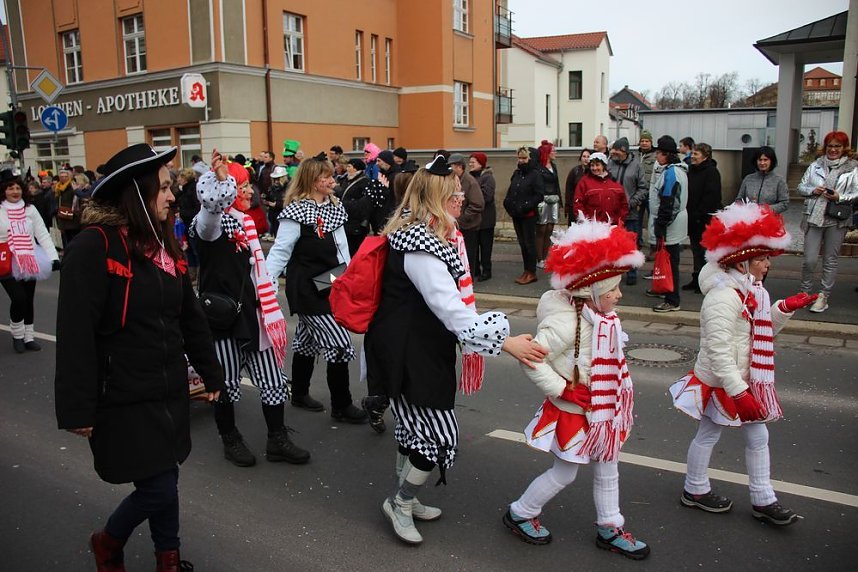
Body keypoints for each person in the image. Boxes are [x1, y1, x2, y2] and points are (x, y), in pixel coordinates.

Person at [54, 144, 225, 570]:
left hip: (166, 390)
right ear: (136, 193)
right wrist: (77, 406)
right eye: (164, 188)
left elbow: (191, 318)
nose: (172, 196)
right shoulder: (94, 247)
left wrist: (211, 373)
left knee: (166, 476)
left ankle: (169, 559)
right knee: (159, 488)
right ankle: (108, 542)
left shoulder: (163, 247)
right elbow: (75, 333)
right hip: (122, 396)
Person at [364, 156, 547, 546]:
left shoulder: (429, 236)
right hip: (407, 354)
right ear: (434, 199)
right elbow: (453, 311)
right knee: (436, 438)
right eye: (453, 195)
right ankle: (400, 502)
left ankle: (405, 500)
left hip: (422, 348)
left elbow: (452, 309)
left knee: (418, 432)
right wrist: (508, 342)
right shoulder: (420, 246)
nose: (461, 199)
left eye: (460, 192)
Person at [503, 218, 649, 560]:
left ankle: (609, 526)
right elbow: (531, 359)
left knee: (608, 465)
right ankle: (520, 512)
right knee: (565, 472)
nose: (619, 294)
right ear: (591, 290)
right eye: (612, 288)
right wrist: (563, 389)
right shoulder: (566, 322)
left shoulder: (601, 317)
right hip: (574, 410)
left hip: (601, 410)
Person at [669, 201, 817, 526]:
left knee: (756, 436)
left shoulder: (755, 291)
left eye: (767, 258)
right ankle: (696, 489)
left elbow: (760, 333)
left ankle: (761, 499)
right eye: (762, 258)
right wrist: (737, 391)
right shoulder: (723, 297)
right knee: (709, 434)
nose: (767, 265)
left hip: (746, 379)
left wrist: (784, 309)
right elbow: (719, 350)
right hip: (725, 381)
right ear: (743, 261)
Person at [192, 149, 310, 468]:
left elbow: (259, 272)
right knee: (227, 385)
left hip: (255, 318)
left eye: (246, 186)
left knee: (273, 381)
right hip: (223, 319)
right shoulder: (210, 226)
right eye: (241, 187)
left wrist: (268, 288)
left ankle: (277, 440)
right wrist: (220, 180)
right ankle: (230, 438)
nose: (248, 192)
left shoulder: (246, 224)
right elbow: (210, 212)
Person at [266, 152, 368, 424]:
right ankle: (342, 405)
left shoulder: (334, 207)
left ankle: (298, 393)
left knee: (306, 340)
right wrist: (265, 286)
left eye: (332, 175)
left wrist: (349, 278)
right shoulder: (296, 211)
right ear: (312, 180)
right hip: (305, 288)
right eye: (326, 176)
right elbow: (280, 252)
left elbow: (341, 248)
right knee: (340, 342)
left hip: (330, 280)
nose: (332, 180)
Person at [796, 130, 858, 313]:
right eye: (830, 146)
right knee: (809, 260)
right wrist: (813, 190)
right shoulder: (815, 165)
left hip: (837, 219)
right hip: (814, 217)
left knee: (830, 260)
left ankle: (823, 296)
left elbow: (856, 193)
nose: (833, 149)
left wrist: (840, 197)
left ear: (844, 148)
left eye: (837, 146)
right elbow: (801, 187)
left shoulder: (853, 168)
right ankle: (804, 293)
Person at [1, 173, 60, 352]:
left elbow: (41, 233)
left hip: (29, 258)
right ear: (3, 190)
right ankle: (17, 335)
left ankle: (28, 337)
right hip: (7, 260)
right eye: (10, 188)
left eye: (18, 188)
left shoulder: (30, 209)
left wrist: (53, 257)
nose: (15, 191)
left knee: (28, 299)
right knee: (18, 298)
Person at [647, 136, 688, 312]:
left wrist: (661, 224)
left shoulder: (672, 172)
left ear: (667, 155)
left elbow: (669, 201)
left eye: (659, 153)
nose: (656, 156)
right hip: (675, 221)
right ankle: (666, 289)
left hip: (671, 223)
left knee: (670, 262)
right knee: (669, 260)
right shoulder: (676, 170)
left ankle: (672, 300)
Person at [607, 138, 648, 285]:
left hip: (630, 212)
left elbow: (643, 188)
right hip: (611, 212)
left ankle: (632, 272)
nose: (614, 153)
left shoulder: (636, 165)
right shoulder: (609, 163)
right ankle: (612, 272)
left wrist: (632, 202)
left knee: (631, 243)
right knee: (612, 243)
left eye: (617, 150)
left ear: (624, 151)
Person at [684, 143, 723, 293]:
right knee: (696, 250)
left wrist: (699, 214)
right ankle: (696, 278)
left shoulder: (712, 172)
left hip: (704, 219)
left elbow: (712, 197)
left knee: (705, 252)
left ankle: (706, 280)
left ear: (705, 156)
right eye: (692, 153)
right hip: (692, 218)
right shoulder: (691, 171)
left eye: (696, 154)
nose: (692, 156)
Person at [503, 146, 544, 285]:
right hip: (517, 214)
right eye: (519, 158)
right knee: (522, 243)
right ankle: (526, 270)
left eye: (524, 158)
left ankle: (531, 271)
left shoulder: (536, 174)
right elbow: (512, 190)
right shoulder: (517, 173)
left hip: (528, 215)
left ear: (530, 159)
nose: (521, 161)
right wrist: (507, 203)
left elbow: (539, 195)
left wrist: (525, 206)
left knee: (529, 244)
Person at [448, 153, 484, 273]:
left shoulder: (469, 182)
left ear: (459, 166)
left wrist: (461, 218)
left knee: (468, 257)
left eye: (451, 166)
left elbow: (478, 204)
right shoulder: (454, 180)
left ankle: (469, 283)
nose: (449, 168)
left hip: (468, 227)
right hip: (458, 226)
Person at [572, 152, 628, 224]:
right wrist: (585, 221)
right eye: (592, 165)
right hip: (592, 228)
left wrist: (621, 219)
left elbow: (623, 203)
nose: (595, 168)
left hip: (613, 226)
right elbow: (578, 203)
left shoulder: (613, 181)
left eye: (597, 165)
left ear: (604, 166)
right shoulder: (584, 182)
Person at [735, 146, 789, 214]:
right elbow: (739, 199)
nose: (762, 163)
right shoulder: (748, 179)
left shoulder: (779, 180)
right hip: (749, 220)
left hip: (770, 220)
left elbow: (784, 203)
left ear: (771, 161)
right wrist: (742, 208)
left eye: (765, 160)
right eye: (760, 160)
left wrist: (765, 209)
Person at [336, 158, 373, 255]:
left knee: (355, 249)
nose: (347, 168)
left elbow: (365, 203)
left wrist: (345, 204)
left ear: (356, 168)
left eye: (349, 166)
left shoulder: (364, 182)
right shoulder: (345, 180)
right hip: (346, 219)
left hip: (357, 221)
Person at [535, 140, 562, 269]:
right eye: (553, 151)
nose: (555, 153)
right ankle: (539, 258)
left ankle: (545, 257)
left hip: (554, 200)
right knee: (542, 228)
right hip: (543, 200)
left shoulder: (554, 166)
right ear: (546, 153)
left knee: (550, 228)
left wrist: (560, 201)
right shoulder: (539, 168)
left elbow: (557, 185)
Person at [469, 152, 496, 282]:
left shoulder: (488, 178)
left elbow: (487, 197)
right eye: (470, 162)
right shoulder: (469, 177)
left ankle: (486, 270)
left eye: (473, 162)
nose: (470, 164)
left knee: (485, 247)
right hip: (474, 219)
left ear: (481, 163)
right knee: (473, 246)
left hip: (486, 219)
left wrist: (473, 199)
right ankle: (475, 270)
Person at [55, 168, 82, 248]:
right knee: (65, 240)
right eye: (61, 176)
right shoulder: (58, 188)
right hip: (62, 217)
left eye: (65, 176)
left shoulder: (73, 187)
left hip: (72, 218)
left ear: (69, 177)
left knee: (73, 239)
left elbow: (77, 202)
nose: (63, 178)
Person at [564, 149, 591, 225]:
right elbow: (568, 188)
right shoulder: (575, 171)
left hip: (587, 205)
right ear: (580, 158)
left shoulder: (592, 172)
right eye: (584, 156)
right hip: (574, 205)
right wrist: (568, 205)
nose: (586, 159)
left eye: (588, 157)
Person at [263, 165, 288, 239]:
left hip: (283, 216)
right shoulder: (272, 188)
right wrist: (266, 199)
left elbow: (289, 202)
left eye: (278, 179)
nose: (276, 181)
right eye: (275, 179)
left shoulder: (288, 188)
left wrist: (276, 204)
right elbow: (270, 197)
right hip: (273, 215)